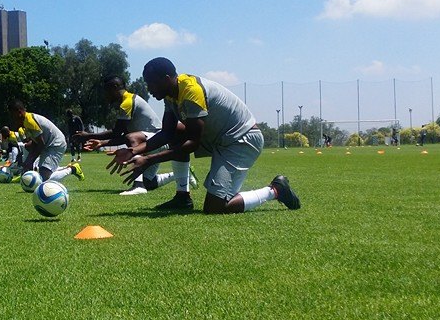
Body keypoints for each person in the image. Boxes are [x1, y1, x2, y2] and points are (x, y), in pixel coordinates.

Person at [107, 57, 300, 214]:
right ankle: (182, 197)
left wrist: (148, 160)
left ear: (166, 79)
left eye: (151, 83)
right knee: (176, 132)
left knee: (216, 207)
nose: (149, 89)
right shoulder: (170, 94)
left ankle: (275, 190)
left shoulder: (192, 91)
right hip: (219, 139)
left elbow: (192, 143)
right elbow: (166, 133)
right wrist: (133, 151)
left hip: (241, 139)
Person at [77, 76, 196, 196]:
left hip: (158, 141)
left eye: (107, 91)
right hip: (151, 143)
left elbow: (117, 133)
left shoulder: (127, 102)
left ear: (115, 88)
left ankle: (138, 186)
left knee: (132, 138)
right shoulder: (128, 100)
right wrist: (102, 143)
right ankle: (182, 174)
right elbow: (123, 136)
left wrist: (88, 136)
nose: (105, 96)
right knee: (149, 182)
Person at [9, 101, 83, 182]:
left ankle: (73, 169)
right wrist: (28, 161)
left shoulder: (29, 121)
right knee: (29, 150)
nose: (12, 119)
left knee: (44, 178)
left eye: (12, 116)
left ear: (19, 112)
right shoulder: (26, 121)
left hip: (56, 144)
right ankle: (26, 174)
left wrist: (30, 161)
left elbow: (41, 144)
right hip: (49, 144)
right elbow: (36, 142)